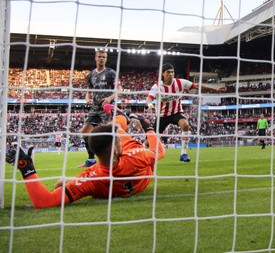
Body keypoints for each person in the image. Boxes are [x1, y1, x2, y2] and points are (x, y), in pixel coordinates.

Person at [5, 104, 164, 209]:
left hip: (108, 174)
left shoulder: (91, 179)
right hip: (144, 171)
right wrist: (147, 126)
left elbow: (43, 201)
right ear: (116, 150)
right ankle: (122, 116)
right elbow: (159, 152)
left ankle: (122, 116)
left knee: (61, 183)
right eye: (118, 143)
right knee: (115, 127)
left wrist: (27, 168)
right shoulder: (135, 155)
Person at [145, 63, 226, 162]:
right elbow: (149, 98)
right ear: (162, 74)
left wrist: (215, 89)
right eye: (168, 72)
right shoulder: (157, 86)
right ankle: (142, 152)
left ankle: (183, 153)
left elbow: (196, 85)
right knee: (150, 140)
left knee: (185, 125)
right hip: (162, 115)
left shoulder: (180, 82)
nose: (171, 74)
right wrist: (150, 105)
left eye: (172, 72)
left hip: (177, 112)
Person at [78, 50, 121, 168]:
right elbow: (89, 88)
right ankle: (91, 159)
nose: (101, 58)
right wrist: (87, 97)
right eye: (99, 57)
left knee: (111, 133)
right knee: (85, 131)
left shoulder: (111, 73)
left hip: (107, 107)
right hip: (95, 107)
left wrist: (110, 97)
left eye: (104, 57)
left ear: (106, 59)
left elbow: (119, 89)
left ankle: (117, 157)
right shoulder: (91, 74)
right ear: (95, 58)